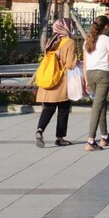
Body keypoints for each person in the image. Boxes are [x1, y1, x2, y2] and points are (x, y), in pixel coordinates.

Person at [82, 15, 109, 151]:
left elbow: (84, 63)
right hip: (102, 75)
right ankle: (90, 141)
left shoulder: (88, 40)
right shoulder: (108, 40)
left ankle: (104, 136)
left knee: (101, 104)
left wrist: (86, 81)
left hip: (90, 74)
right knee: (97, 106)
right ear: (106, 26)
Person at [35, 18, 79, 147]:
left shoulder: (52, 41)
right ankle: (60, 137)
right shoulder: (69, 42)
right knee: (64, 109)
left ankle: (39, 130)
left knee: (48, 108)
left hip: (48, 79)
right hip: (61, 81)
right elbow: (70, 64)